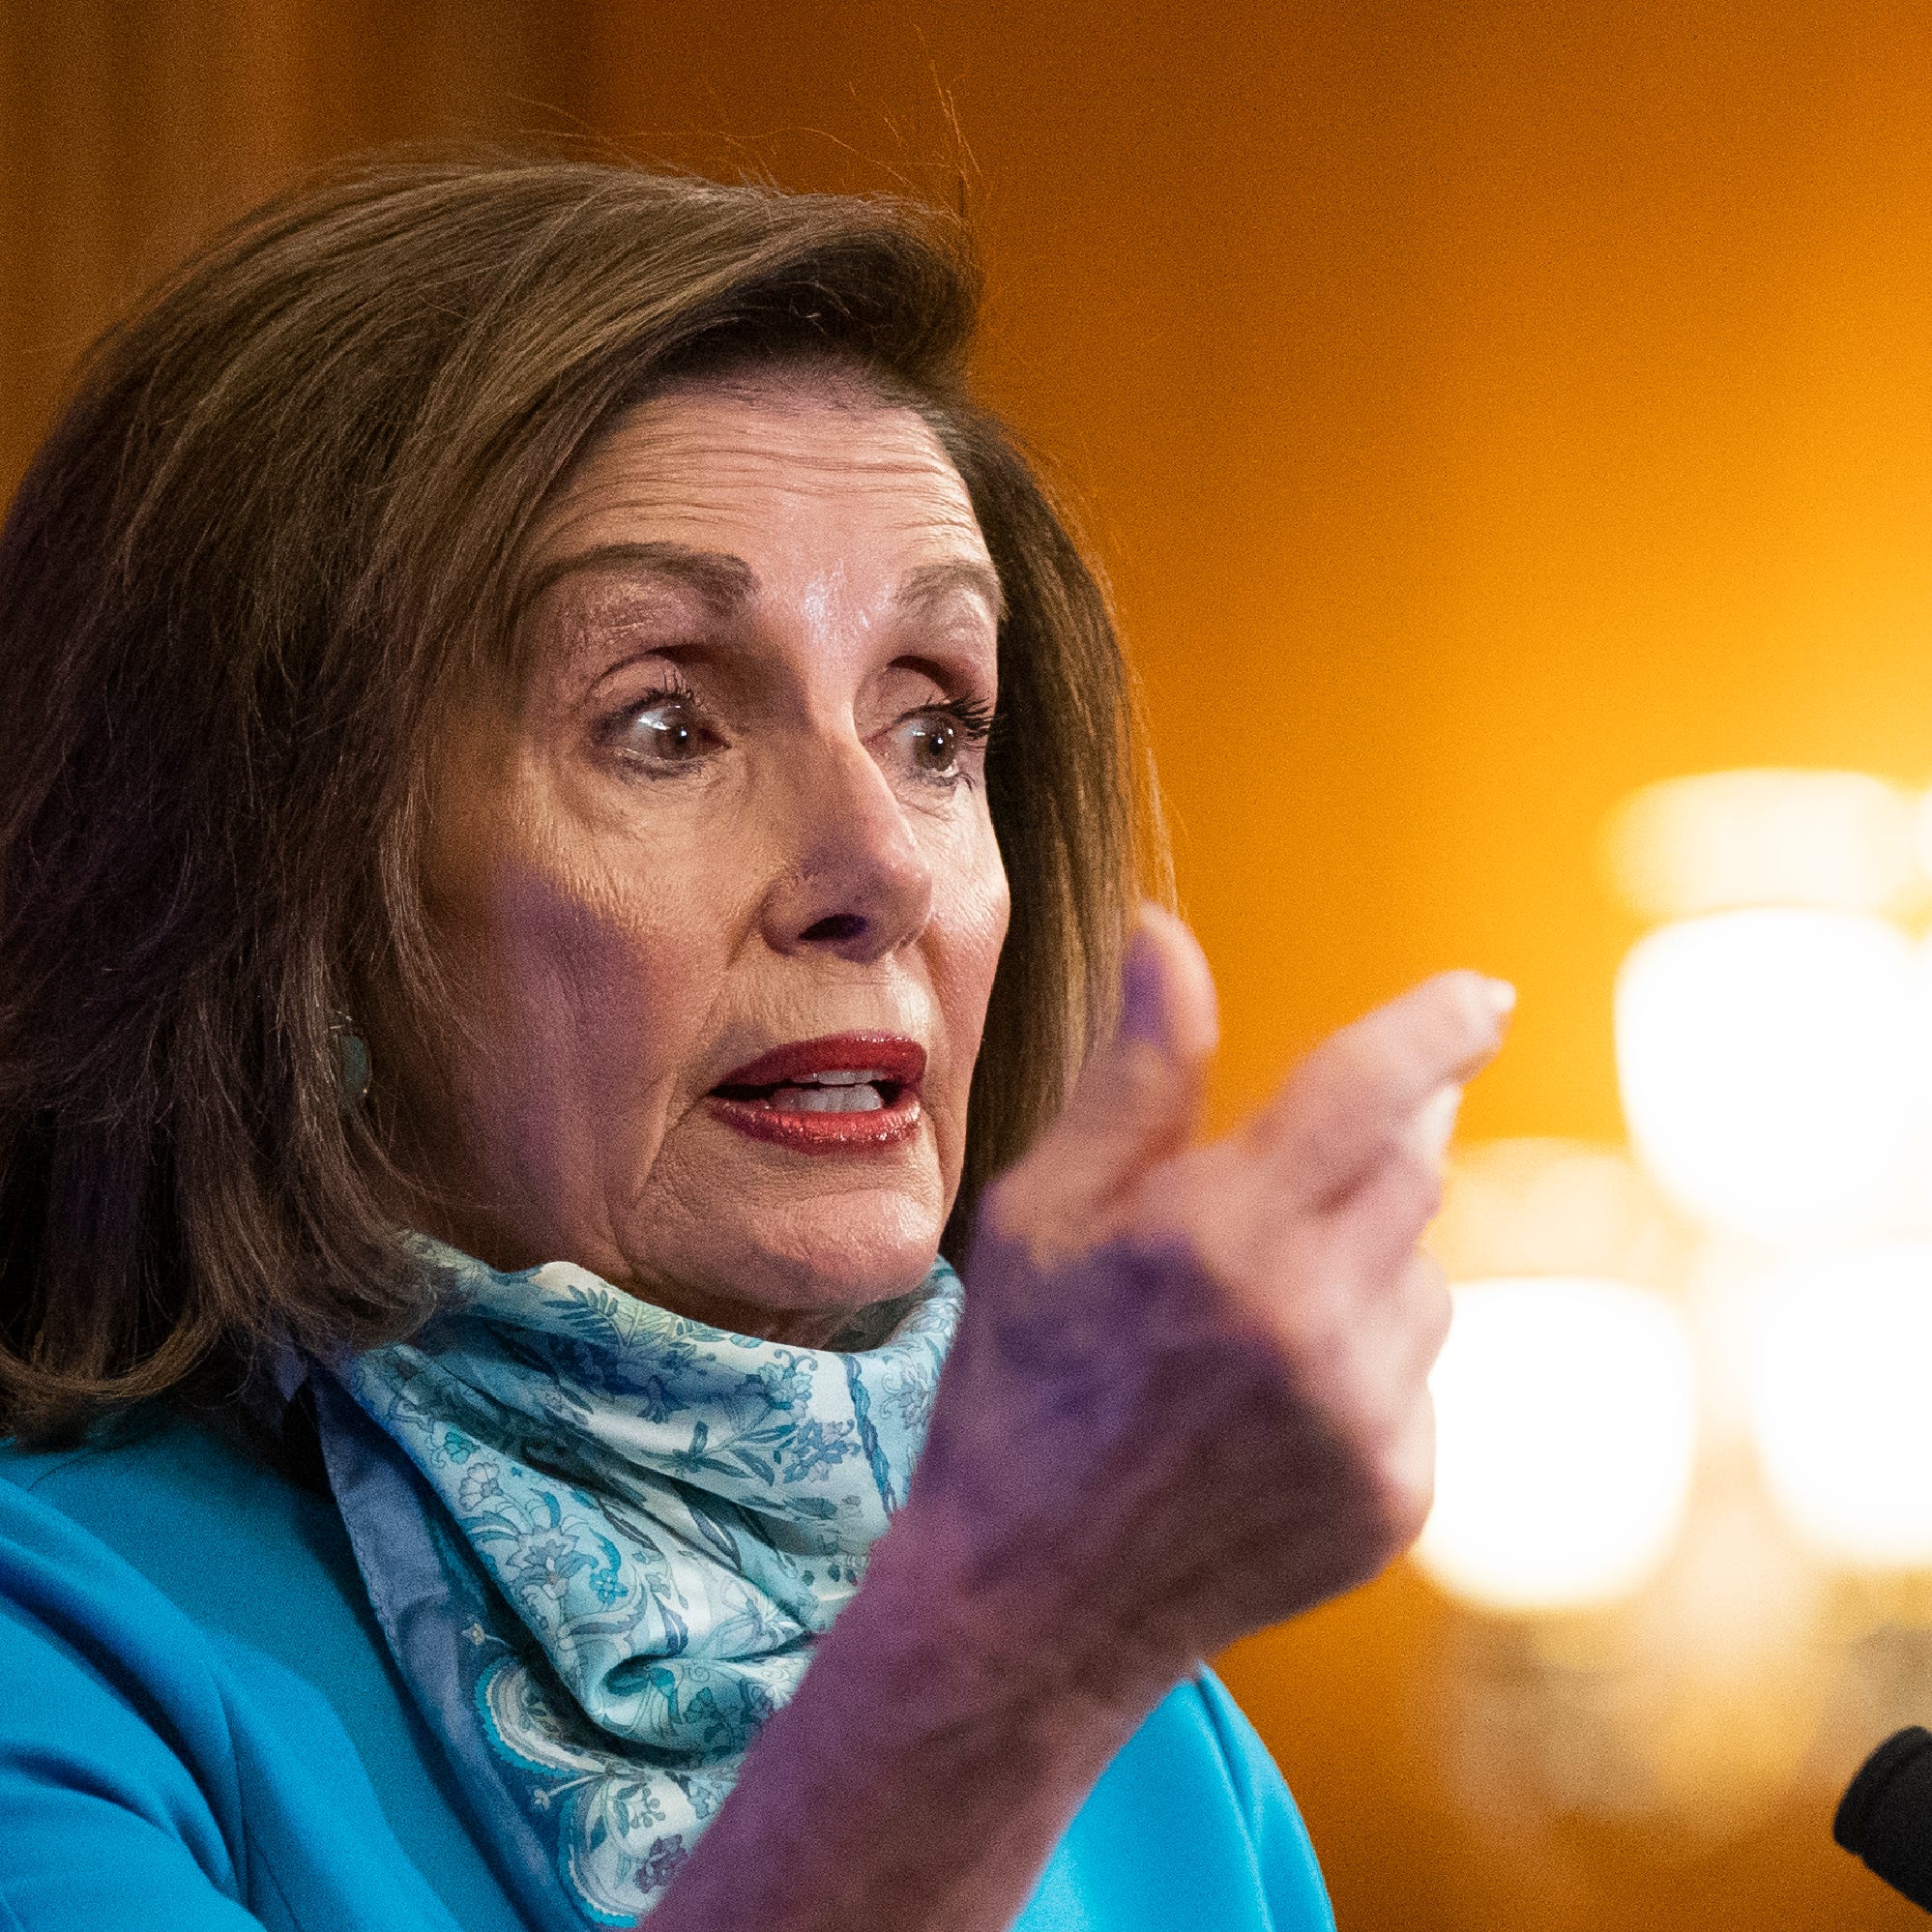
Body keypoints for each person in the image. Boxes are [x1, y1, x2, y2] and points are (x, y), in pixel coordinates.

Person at [0, 158, 1509, 1932]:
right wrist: (1015, 1643)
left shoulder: (1160, 1747)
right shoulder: (64, 1672)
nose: (878, 861)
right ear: (281, 892)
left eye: (935, 727)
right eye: (661, 722)